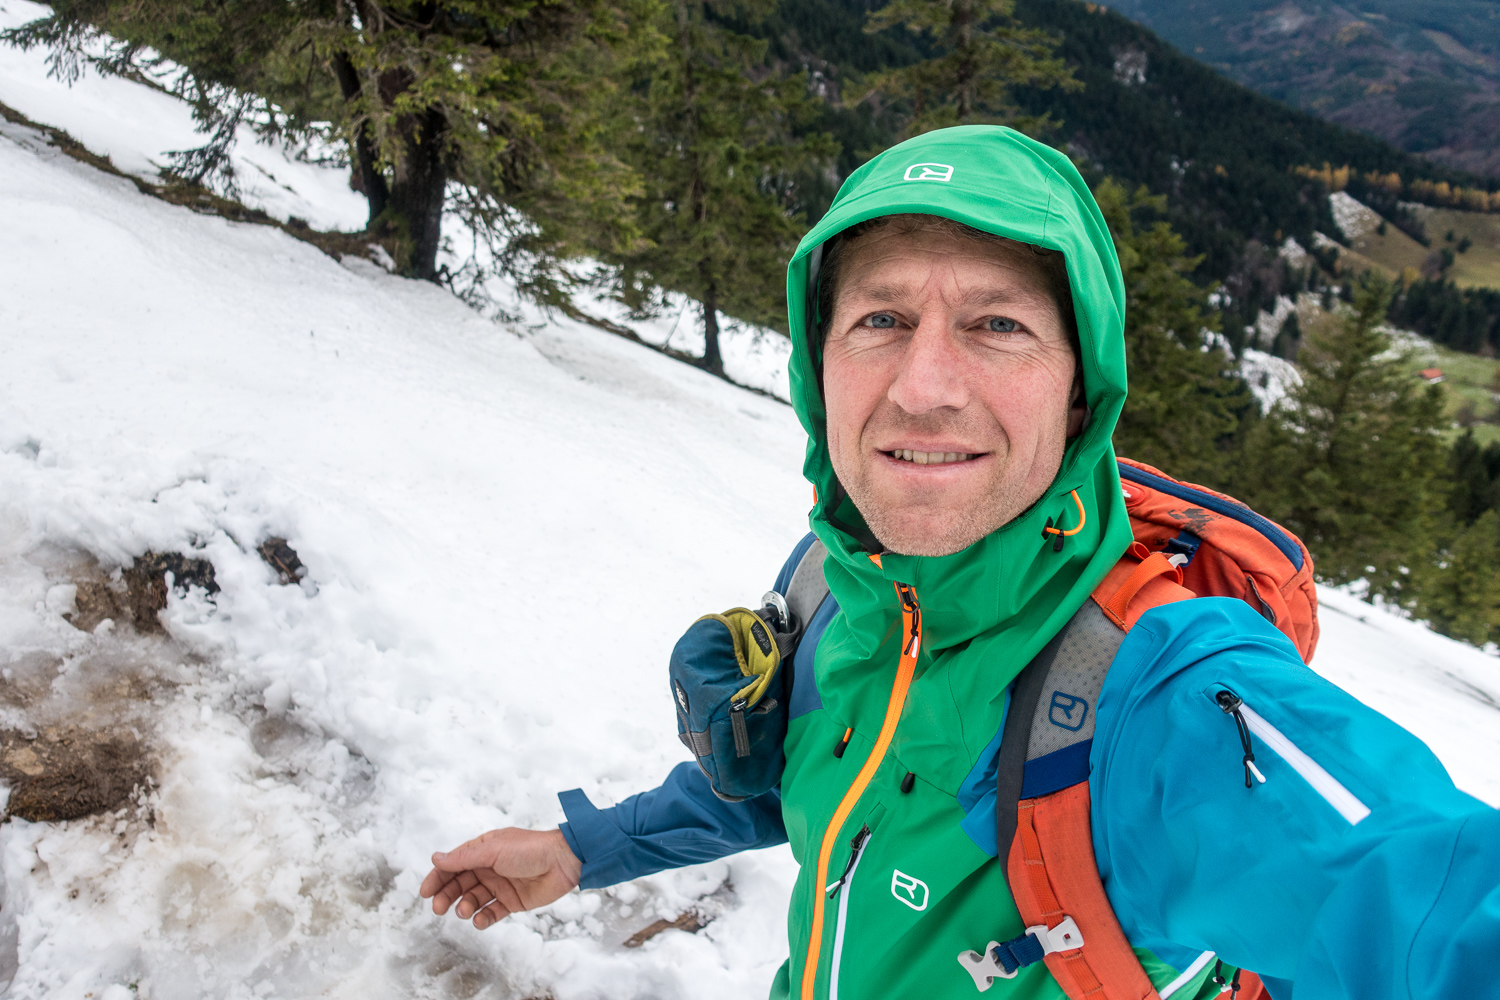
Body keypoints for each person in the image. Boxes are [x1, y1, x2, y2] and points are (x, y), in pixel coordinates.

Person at [419, 126, 1500, 1000]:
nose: (926, 385)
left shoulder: (1168, 695)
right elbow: (811, 781)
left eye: (996, 324)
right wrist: (581, 850)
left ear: (1082, 390)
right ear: (819, 369)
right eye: (881, 318)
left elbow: (1430, 900)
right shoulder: (843, 585)